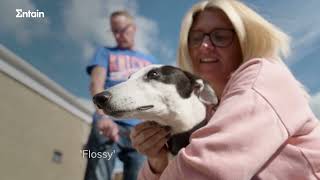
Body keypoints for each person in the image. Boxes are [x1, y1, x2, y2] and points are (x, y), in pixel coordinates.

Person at [130, 0, 320, 179]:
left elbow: (209, 169)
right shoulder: (208, 110)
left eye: (219, 37)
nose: (204, 46)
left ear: (243, 41)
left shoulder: (262, 76)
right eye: (195, 38)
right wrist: (157, 160)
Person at [84, 10, 157, 180]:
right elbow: (96, 84)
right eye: (114, 31)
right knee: (97, 175)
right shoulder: (104, 52)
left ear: (134, 28)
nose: (118, 35)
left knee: (140, 177)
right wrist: (103, 118)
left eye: (123, 29)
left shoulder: (150, 61)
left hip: (140, 129)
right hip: (108, 124)